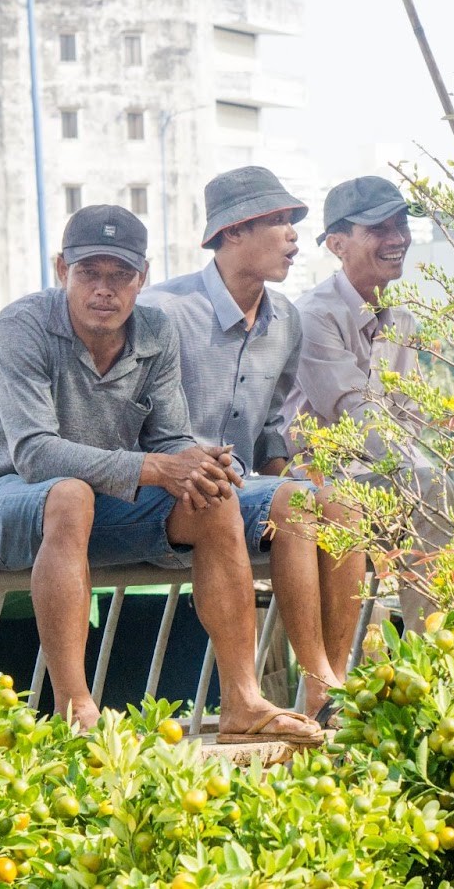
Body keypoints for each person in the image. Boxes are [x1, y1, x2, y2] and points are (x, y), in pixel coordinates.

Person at [0, 204, 321, 743]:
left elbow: (170, 441)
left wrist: (200, 465)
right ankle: (77, 708)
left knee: (212, 497)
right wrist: (159, 467)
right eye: (89, 272)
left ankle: (243, 702)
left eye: (120, 275)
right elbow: (35, 456)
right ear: (61, 270)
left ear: (143, 278)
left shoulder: (155, 330)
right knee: (68, 494)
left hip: (92, 504)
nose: (104, 290)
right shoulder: (22, 325)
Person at [141, 166, 364, 723]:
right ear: (233, 232)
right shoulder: (163, 312)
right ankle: (316, 677)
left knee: (343, 504)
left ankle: (331, 686)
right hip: (175, 492)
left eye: (292, 221)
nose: (293, 235)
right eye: (278, 221)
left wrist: (291, 473)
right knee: (296, 502)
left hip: (248, 491)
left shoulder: (285, 319)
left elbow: (269, 427)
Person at [283, 175, 448, 624]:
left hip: (382, 478)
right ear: (338, 244)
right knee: (436, 490)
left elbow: (411, 414)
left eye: (401, 227)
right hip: (319, 480)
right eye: (379, 229)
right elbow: (355, 411)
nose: (397, 240)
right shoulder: (314, 315)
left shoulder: (403, 320)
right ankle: (433, 659)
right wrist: (426, 478)